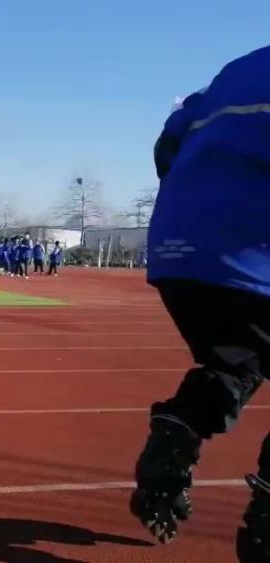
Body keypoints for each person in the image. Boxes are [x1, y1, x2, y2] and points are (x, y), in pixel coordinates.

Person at [127, 45, 270, 560]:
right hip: (251, 250)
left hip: (179, 247)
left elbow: (168, 144)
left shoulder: (238, 69)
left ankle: (175, 437)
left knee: (233, 360)